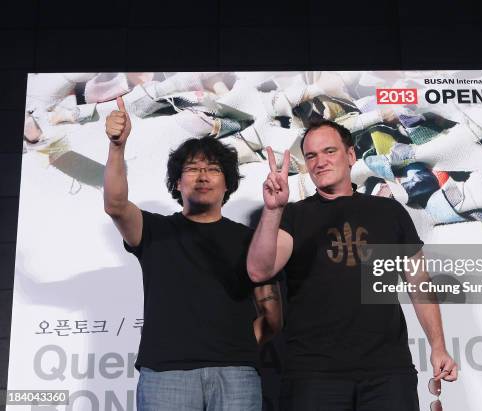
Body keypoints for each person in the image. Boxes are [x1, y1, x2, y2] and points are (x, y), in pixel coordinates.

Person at [247, 119, 457, 410]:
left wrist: (438, 346)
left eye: (329, 151)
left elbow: (419, 284)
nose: (320, 162)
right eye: (311, 156)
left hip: (387, 373)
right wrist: (272, 211)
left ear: (350, 156)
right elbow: (260, 270)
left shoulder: (389, 212)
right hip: (314, 375)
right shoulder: (293, 216)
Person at [103, 96, 281, 410]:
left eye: (212, 169)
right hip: (165, 373)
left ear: (228, 183)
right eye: (192, 169)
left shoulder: (251, 239)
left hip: (236, 374)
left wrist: (234, 349)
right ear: (177, 183)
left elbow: (272, 317)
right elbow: (116, 205)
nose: (202, 176)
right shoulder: (154, 230)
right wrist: (117, 146)